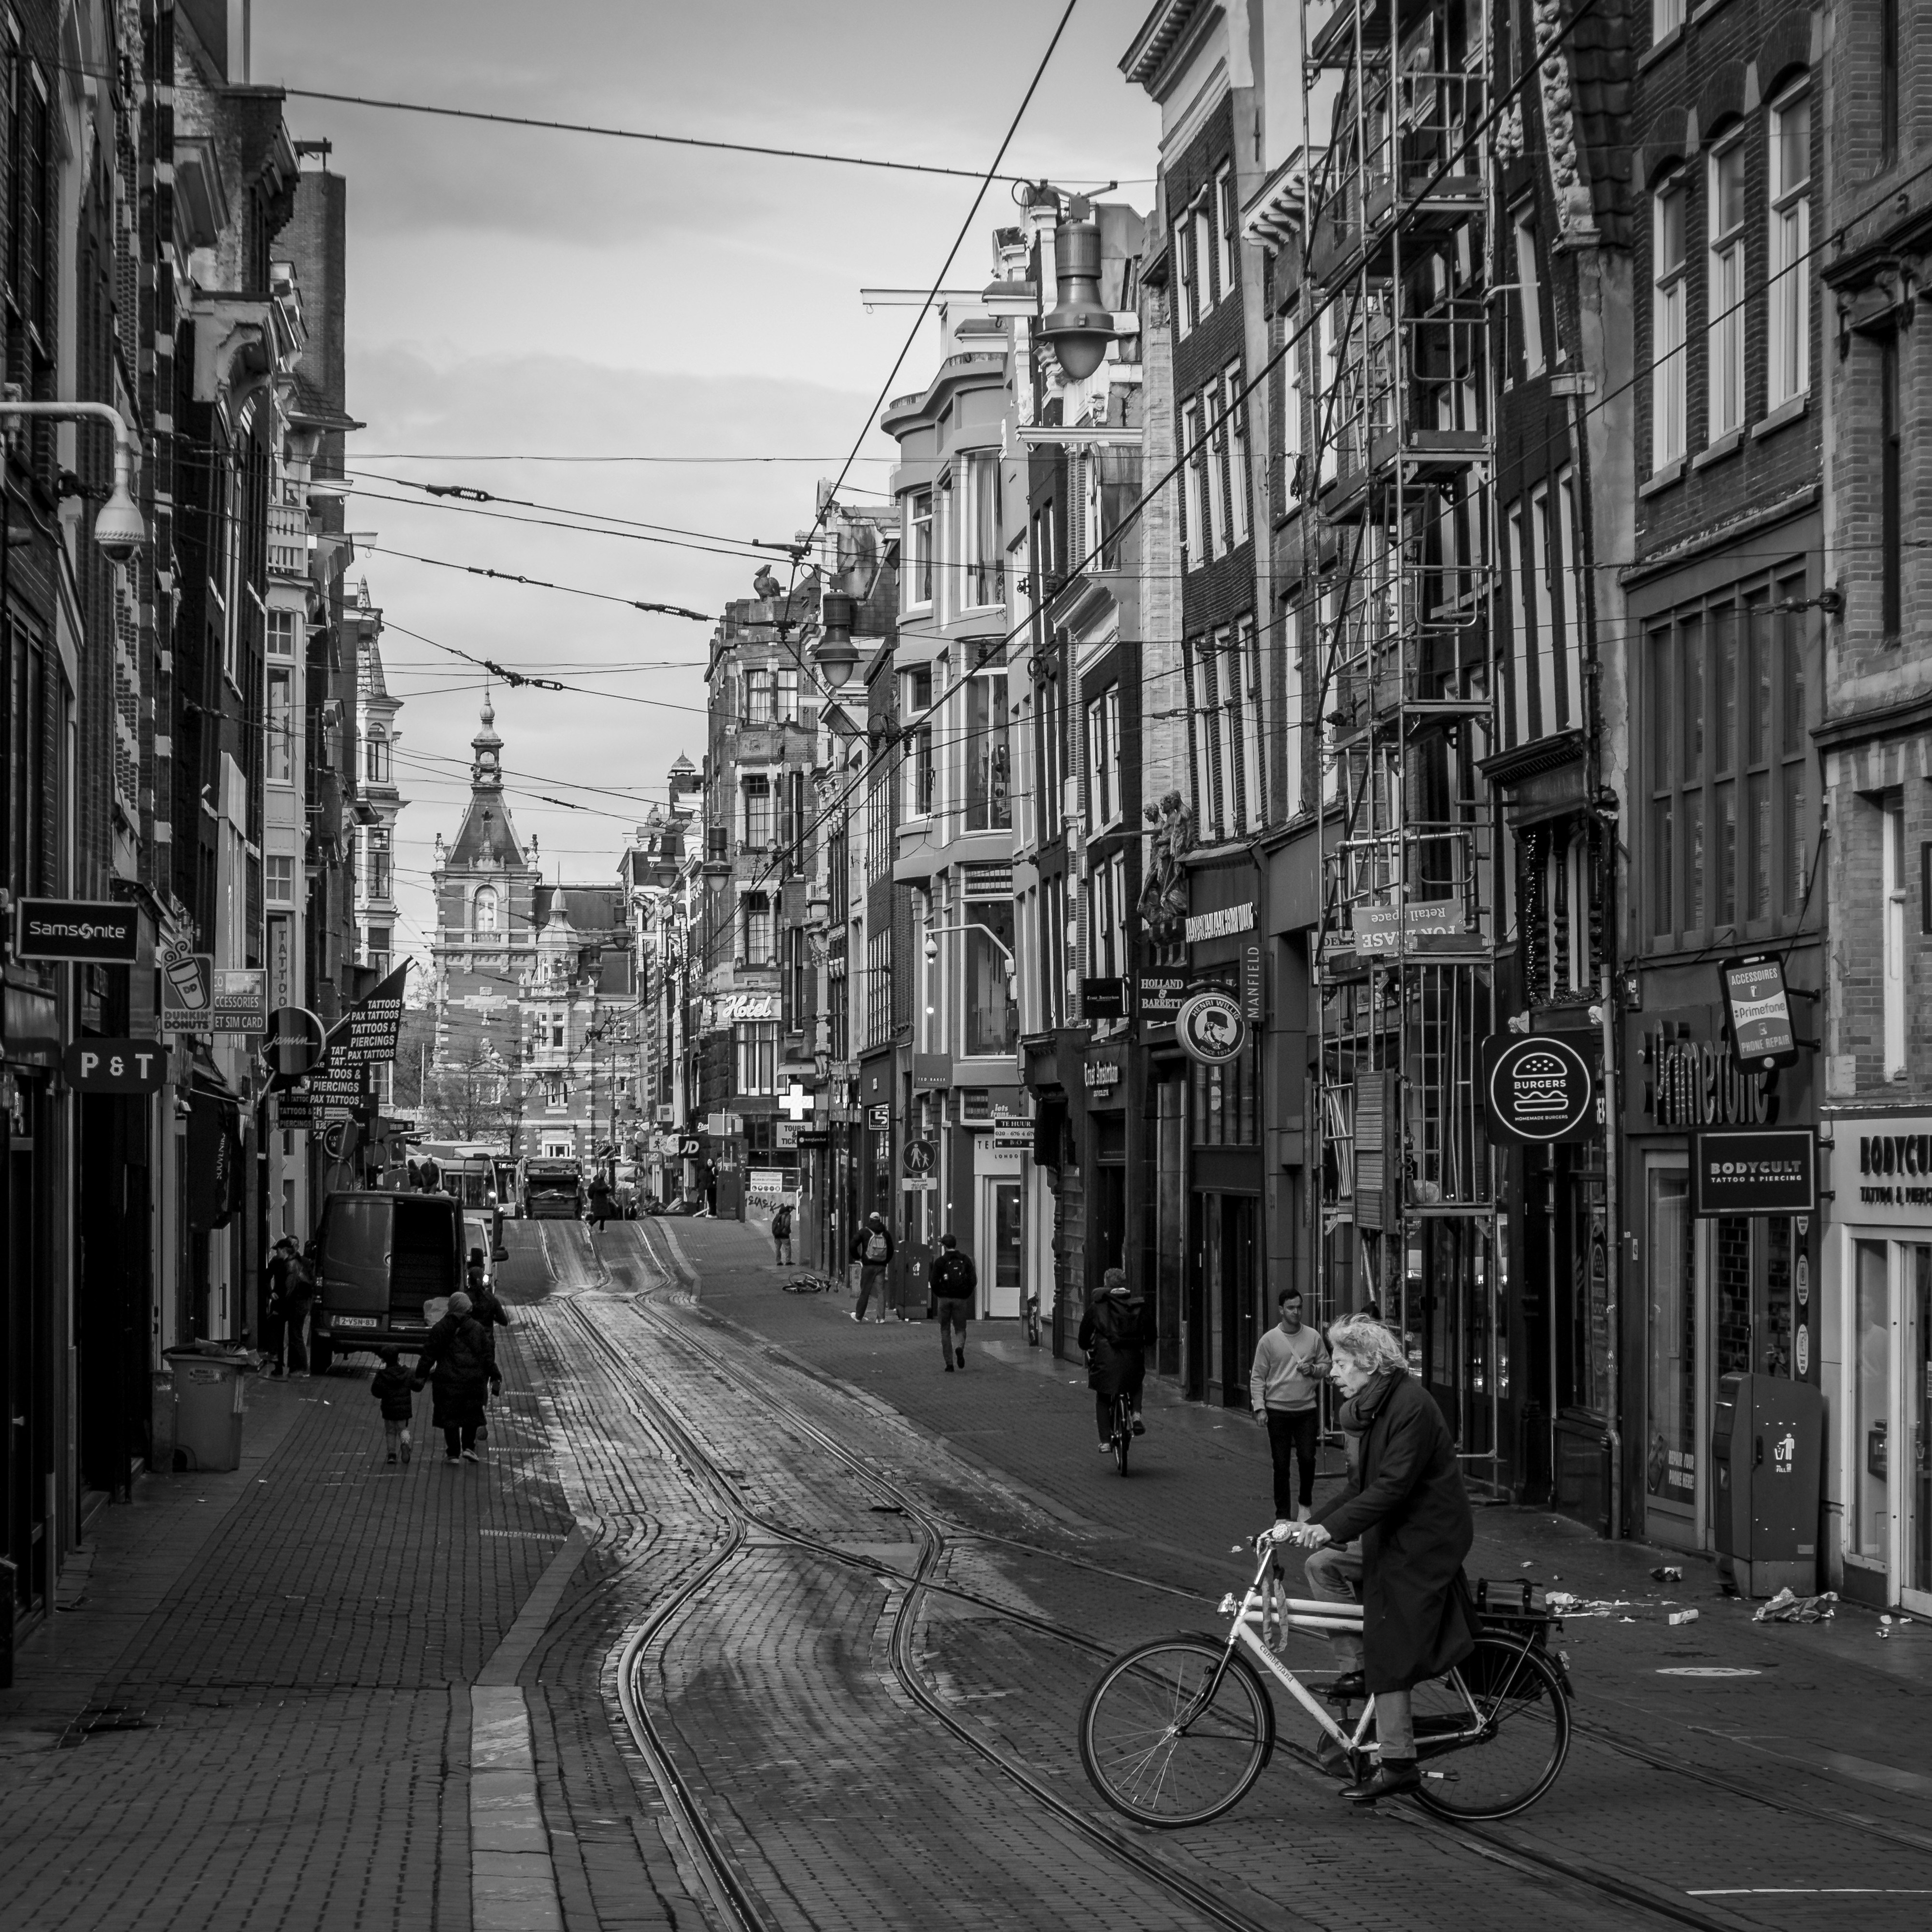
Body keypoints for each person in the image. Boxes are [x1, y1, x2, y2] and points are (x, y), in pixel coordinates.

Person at [1285, 1313, 1475, 1804]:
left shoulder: (1410, 1406)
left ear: (1369, 1363)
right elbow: (1359, 1487)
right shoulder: (1373, 1408)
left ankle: (1397, 1762)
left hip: (1425, 1539)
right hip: (1393, 1530)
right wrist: (1309, 1527)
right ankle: (1361, 1670)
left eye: (1341, 1363)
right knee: (1321, 1565)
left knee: (1388, 1628)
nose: (1333, 1373)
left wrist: (1331, 1528)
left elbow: (1392, 1487)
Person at [1250, 1288, 1330, 1527]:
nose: (1296, 1312)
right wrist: (1260, 1407)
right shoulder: (1268, 1341)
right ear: (1281, 1310)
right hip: (1278, 1410)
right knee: (1281, 1464)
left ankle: (1305, 1505)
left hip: (1306, 1408)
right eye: (1291, 1308)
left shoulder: (1313, 1337)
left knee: (1307, 1459)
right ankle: (1282, 1514)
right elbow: (1258, 1377)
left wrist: (1313, 1369)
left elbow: (1326, 1365)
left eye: (1299, 1307)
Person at [412, 1290, 502, 1464]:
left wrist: (420, 1375)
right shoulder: (477, 1328)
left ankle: (453, 1453)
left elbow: (429, 1354)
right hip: (473, 1380)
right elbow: (487, 1357)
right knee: (471, 1413)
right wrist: (495, 1376)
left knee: (449, 1416)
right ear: (467, 1307)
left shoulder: (441, 1328)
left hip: (447, 1380)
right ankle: (469, 1447)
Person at [1078, 1268, 1153, 1450]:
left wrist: (1087, 1346)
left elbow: (1084, 1336)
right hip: (1133, 1358)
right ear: (1124, 1283)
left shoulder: (1097, 1307)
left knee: (1103, 1397)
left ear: (1106, 1283)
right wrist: (1144, 1343)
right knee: (1136, 1382)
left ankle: (1106, 1441)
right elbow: (1151, 1335)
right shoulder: (1137, 1305)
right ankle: (1136, 1415)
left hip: (1106, 1361)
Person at [930, 1233, 977, 1371]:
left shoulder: (940, 1262)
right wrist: (965, 1294)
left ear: (944, 1246)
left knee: (945, 1330)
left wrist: (940, 1295)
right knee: (961, 1329)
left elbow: (933, 1282)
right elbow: (973, 1280)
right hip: (960, 1300)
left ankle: (949, 1364)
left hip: (944, 1300)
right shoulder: (965, 1260)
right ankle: (959, 1347)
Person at [369, 1347, 416, 1465]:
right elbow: (417, 1386)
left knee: (390, 1432)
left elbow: (376, 1391)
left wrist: (384, 1394)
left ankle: (392, 1455)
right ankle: (405, 1444)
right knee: (403, 1429)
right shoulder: (407, 1373)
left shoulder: (382, 1375)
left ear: (384, 1361)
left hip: (389, 1409)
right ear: (398, 1358)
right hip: (404, 1410)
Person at [262, 1236, 298, 1377]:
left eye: (278, 1250)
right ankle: (279, 1365)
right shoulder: (276, 1262)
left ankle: (292, 1366)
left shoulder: (294, 1263)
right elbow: (266, 1279)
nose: (276, 1253)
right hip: (280, 1302)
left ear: (284, 1250)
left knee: (293, 1335)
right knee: (277, 1334)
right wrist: (271, 1293)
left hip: (290, 1303)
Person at [850, 1211, 894, 1322]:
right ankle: (881, 1318)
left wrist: (858, 1257)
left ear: (870, 1220)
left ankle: (859, 1316)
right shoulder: (886, 1234)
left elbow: (853, 1244)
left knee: (865, 1291)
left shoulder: (864, 1232)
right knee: (881, 1291)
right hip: (881, 1267)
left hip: (868, 1266)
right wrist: (885, 1262)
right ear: (879, 1220)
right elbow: (891, 1251)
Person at [771, 1199, 795, 1268]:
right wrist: (787, 1231)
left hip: (777, 1234)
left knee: (778, 1248)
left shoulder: (779, 1214)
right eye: (792, 1209)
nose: (792, 1210)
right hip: (784, 1234)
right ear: (790, 1208)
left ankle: (779, 1262)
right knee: (787, 1247)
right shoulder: (788, 1215)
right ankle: (788, 1261)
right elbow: (787, 1224)